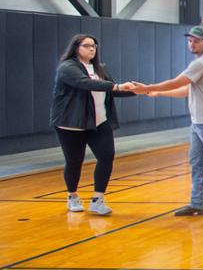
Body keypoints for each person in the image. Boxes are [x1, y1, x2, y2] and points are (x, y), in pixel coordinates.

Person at [134, 25, 203, 217]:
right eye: (190, 40)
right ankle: (198, 203)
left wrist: (146, 88)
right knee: (196, 161)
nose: (191, 43)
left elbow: (177, 82)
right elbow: (185, 90)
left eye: (196, 40)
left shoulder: (202, 63)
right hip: (199, 121)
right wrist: (158, 92)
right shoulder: (199, 64)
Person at [50, 34, 139, 215]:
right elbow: (86, 84)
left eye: (94, 46)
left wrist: (139, 90)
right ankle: (72, 196)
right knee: (74, 161)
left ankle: (98, 199)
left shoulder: (100, 68)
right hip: (72, 123)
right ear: (76, 48)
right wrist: (118, 86)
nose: (92, 49)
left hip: (99, 122)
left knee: (107, 157)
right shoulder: (67, 68)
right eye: (87, 45)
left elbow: (111, 89)